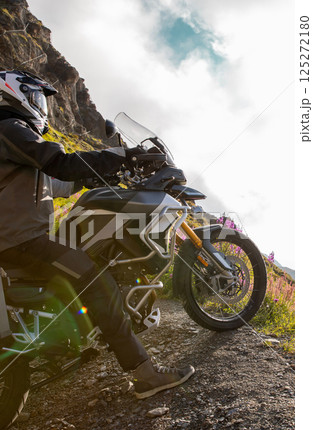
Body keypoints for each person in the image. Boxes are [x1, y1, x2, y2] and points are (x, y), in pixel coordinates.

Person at [0, 69, 194, 399]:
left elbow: (55, 182)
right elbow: (57, 162)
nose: (40, 107)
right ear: (18, 95)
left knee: (87, 258)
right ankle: (144, 375)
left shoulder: (13, 138)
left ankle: (85, 333)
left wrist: (96, 177)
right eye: (36, 98)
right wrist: (123, 156)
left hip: (22, 238)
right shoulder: (9, 127)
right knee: (96, 281)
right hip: (19, 241)